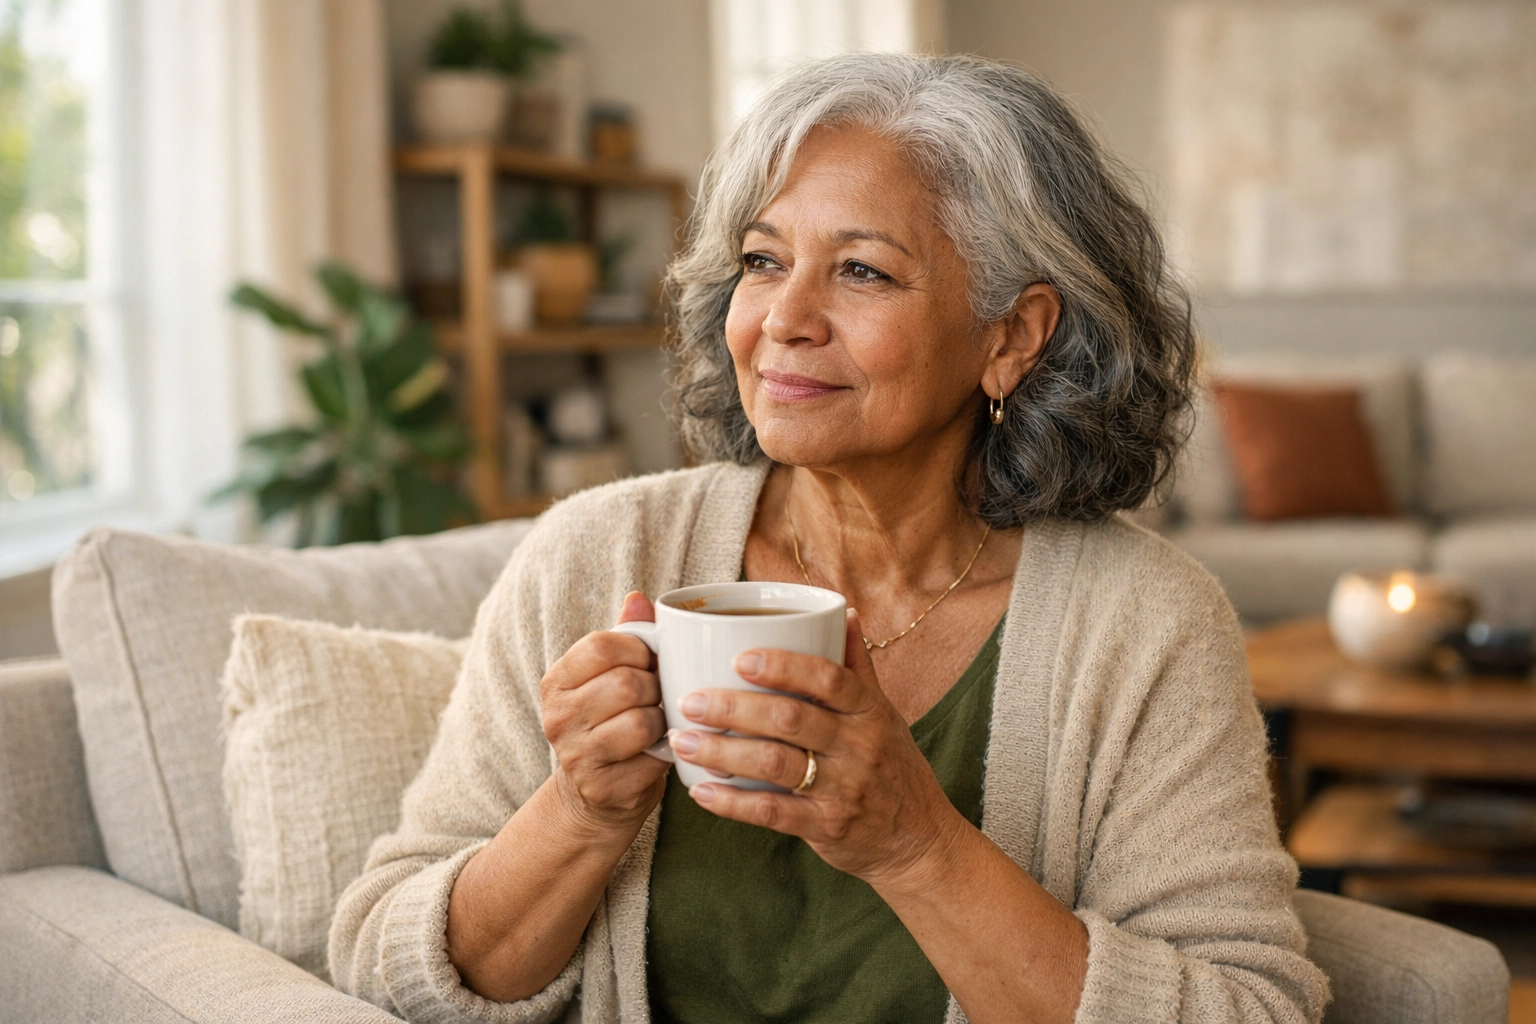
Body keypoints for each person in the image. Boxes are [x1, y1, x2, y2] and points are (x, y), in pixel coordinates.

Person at [330, 52, 1329, 1024]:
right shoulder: (597, 555)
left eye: (862, 271)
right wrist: (579, 815)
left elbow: (1249, 1007)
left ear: (1011, 337)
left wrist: (914, 844)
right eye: (764, 261)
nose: (784, 319)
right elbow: (384, 962)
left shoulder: (1147, 624)